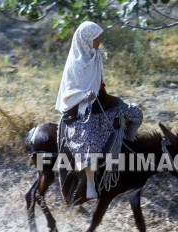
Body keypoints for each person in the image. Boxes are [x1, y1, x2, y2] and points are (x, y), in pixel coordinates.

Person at [55, 21, 142, 200]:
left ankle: (125, 143)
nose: (100, 40)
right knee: (89, 141)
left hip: (100, 102)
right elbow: (69, 92)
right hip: (81, 110)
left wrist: (109, 99)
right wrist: (83, 96)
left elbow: (100, 85)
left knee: (135, 113)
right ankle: (90, 184)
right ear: (87, 39)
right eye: (97, 37)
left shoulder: (96, 56)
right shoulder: (76, 64)